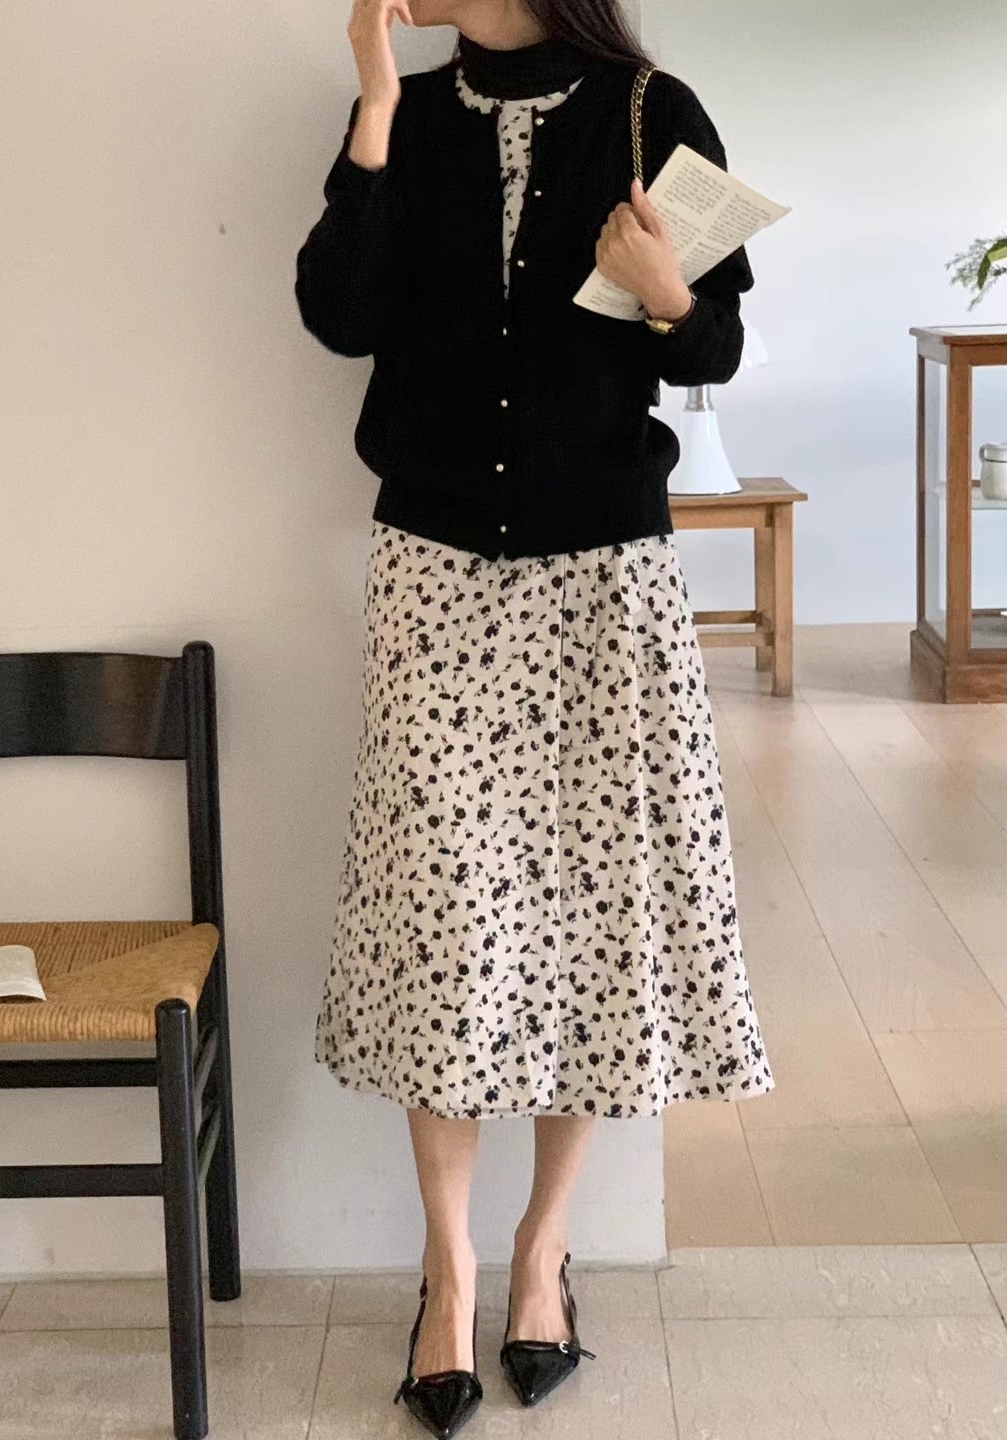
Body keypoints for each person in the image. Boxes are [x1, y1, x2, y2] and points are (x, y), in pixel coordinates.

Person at [295, 1, 775, 1434]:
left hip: (605, 579)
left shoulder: (652, 110)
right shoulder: (408, 120)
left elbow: (716, 352)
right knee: (442, 920)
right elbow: (338, 315)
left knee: (596, 915)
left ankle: (543, 1252)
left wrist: (667, 289)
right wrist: (374, 110)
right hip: (436, 571)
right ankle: (446, 1270)